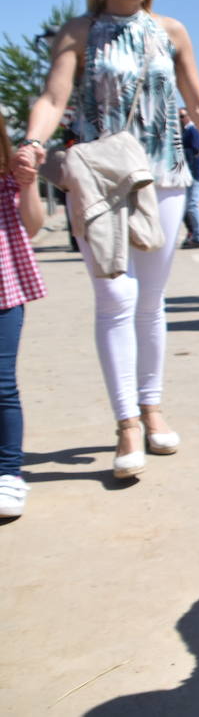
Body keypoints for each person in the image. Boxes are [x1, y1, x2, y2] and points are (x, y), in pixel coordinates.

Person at [18, 0, 199, 479]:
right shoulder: (79, 33)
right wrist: (32, 142)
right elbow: (54, 97)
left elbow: (196, 100)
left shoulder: (170, 32)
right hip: (99, 181)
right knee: (113, 299)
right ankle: (125, 422)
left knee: (150, 302)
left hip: (163, 179)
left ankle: (152, 408)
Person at [0, 135, 48, 518]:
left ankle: (8, 473)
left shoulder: (9, 174)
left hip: (3, 291)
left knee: (1, 384)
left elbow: (32, 226)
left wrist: (28, 183)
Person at [179, 108, 199, 248]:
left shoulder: (193, 131)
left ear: (189, 116)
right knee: (185, 207)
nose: (180, 119)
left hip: (196, 173)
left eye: (182, 116)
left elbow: (197, 150)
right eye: (177, 116)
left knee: (192, 205)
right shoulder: (185, 132)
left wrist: (178, 152)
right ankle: (193, 233)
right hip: (189, 175)